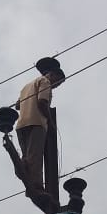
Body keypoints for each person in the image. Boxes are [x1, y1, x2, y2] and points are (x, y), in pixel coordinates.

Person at [15, 57, 65, 196]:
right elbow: (42, 102)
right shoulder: (45, 81)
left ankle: (23, 172)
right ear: (53, 75)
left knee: (27, 158)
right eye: (58, 83)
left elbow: (18, 105)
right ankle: (36, 186)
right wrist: (50, 122)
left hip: (21, 125)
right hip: (37, 122)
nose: (56, 86)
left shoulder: (26, 86)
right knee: (35, 157)